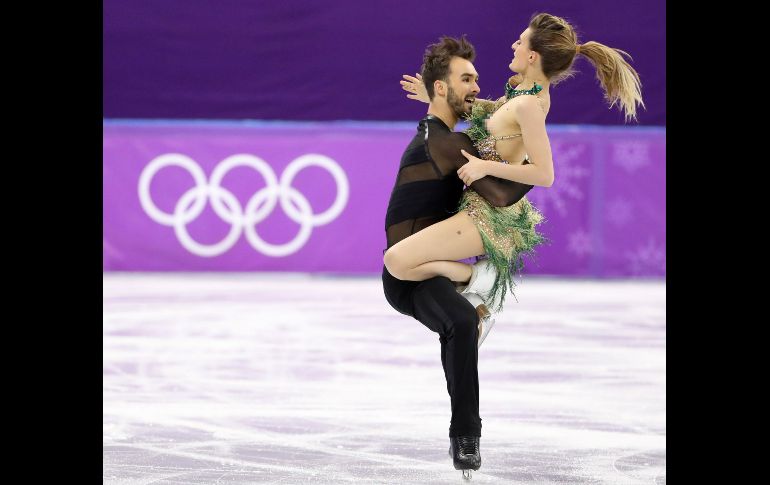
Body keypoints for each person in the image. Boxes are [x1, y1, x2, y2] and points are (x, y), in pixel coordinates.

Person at [388, 12, 644, 314]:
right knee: (402, 261)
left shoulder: (529, 104)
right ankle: (474, 300)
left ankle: (480, 279)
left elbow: (544, 173)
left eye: (520, 42)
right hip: (479, 205)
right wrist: (433, 96)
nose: (514, 45)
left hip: (489, 215)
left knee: (398, 261)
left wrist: (486, 167)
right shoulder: (523, 92)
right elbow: (495, 116)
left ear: (532, 56)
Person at [381, 35, 533, 478]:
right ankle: (474, 280)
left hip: (425, 270)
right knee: (459, 314)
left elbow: (486, 118)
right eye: (466, 79)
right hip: (405, 278)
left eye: (477, 79)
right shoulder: (445, 142)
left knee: (462, 322)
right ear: (442, 88)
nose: (475, 86)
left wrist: (438, 92)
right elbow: (502, 196)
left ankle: (465, 436)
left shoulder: (444, 136)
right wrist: (535, 169)